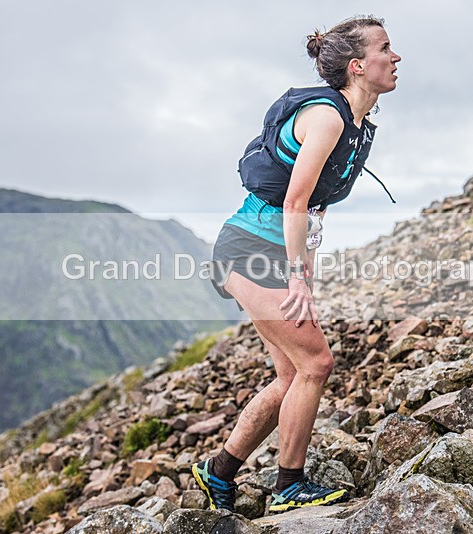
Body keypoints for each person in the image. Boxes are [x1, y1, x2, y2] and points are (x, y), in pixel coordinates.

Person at [192, 15, 401, 514]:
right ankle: (289, 485)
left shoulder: (356, 125)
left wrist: (304, 272)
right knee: (317, 363)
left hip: (269, 251)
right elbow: (294, 203)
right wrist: (297, 279)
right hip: (247, 250)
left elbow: (314, 213)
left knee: (290, 376)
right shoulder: (327, 118)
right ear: (357, 65)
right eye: (385, 48)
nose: (395, 58)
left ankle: (218, 472)